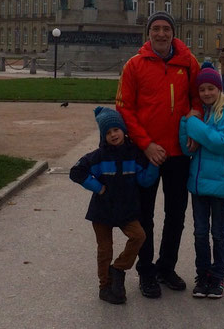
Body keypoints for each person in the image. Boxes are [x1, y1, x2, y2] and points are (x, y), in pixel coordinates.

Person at [116, 11, 201, 299]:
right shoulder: (134, 65)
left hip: (178, 153)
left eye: (166, 28)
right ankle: (146, 271)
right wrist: (146, 144)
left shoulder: (188, 63)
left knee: (176, 215)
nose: (161, 34)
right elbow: (125, 109)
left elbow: (198, 98)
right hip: (147, 153)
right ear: (148, 33)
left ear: (173, 33)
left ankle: (167, 267)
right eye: (156, 28)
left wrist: (194, 120)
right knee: (145, 217)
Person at [70, 106, 159, 305]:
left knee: (139, 236)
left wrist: (154, 165)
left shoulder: (134, 154)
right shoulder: (98, 156)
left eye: (116, 130)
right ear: (103, 135)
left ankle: (118, 269)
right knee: (104, 249)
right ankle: (105, 287)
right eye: (108, 132)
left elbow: (144, 181)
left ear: (123, 130)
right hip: (102, 210)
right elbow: (76, 172)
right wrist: (98, 187)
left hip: (126, 209)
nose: (113, 135)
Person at [179, 63, 224, 299]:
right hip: (198, 185)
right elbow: (185, 148)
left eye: (211, 88)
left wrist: (192, 123)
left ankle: (218, 277)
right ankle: (203, 275)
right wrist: (187, 124)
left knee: (218, 232)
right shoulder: (201, 114)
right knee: (199, 232)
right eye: (202, 89)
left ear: (219, 89)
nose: (206, 93)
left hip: (220, 184)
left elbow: (219, 142)